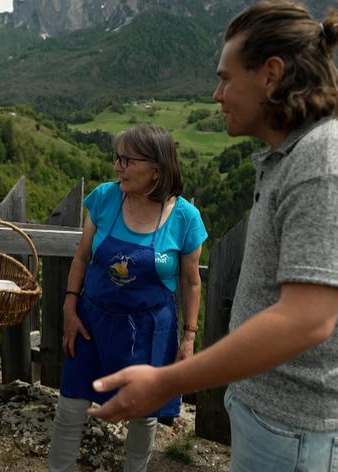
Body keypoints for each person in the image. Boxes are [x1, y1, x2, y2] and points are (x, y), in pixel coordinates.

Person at [89, 2, 338, 471]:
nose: (216, 94)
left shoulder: (326, 162)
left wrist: (168, 380)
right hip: (277, 421)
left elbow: (306, 320)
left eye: (226, 78)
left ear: (270, 74)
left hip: (299, 433)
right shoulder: (294, 157)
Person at [48, 124, 208, 471]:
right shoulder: (105, 197)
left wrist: (190, 336)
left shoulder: (184, 217)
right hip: (93, 321)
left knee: (144, 414)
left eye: (126, 160)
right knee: (71, 406)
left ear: (157, 168)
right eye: (117, 158)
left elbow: (192, 282)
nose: (117, 167)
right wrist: (69, 306)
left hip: (150, 329)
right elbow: (81, 257)